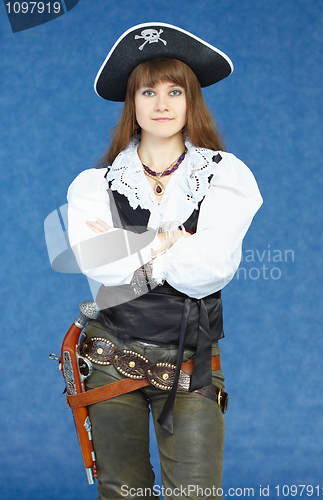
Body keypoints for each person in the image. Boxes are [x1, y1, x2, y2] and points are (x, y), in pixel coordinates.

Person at [67, 22, 263, 500]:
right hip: (108, 357)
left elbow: (208, 271)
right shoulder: (93, 186)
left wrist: (133, 247)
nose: (161, 104)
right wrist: (168, 241)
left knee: (195, 493)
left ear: (190, 100)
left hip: (190, 363)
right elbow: (99, 264)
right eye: (148, 91)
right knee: (122, 492)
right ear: (132, 104)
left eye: (175, 90)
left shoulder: (225, 176)